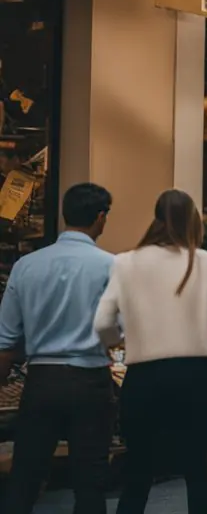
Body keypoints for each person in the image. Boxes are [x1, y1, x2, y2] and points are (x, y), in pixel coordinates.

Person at [93, 189, 207, 514]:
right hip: (197, 376)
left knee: (138, 473)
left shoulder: (125, 262)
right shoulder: (206, 262)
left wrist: (120, 338)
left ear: (156, 217)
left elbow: (103, 322)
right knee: (197, 472)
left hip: (144, 378)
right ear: (193, 220)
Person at [0, 184, 116, 514]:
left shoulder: (26, 266)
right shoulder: (111, 266)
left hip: (41, 381)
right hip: (90, 381)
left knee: (24, 477)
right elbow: (119, 329)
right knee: (90, 482)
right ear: (101, 218)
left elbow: (5, 341)